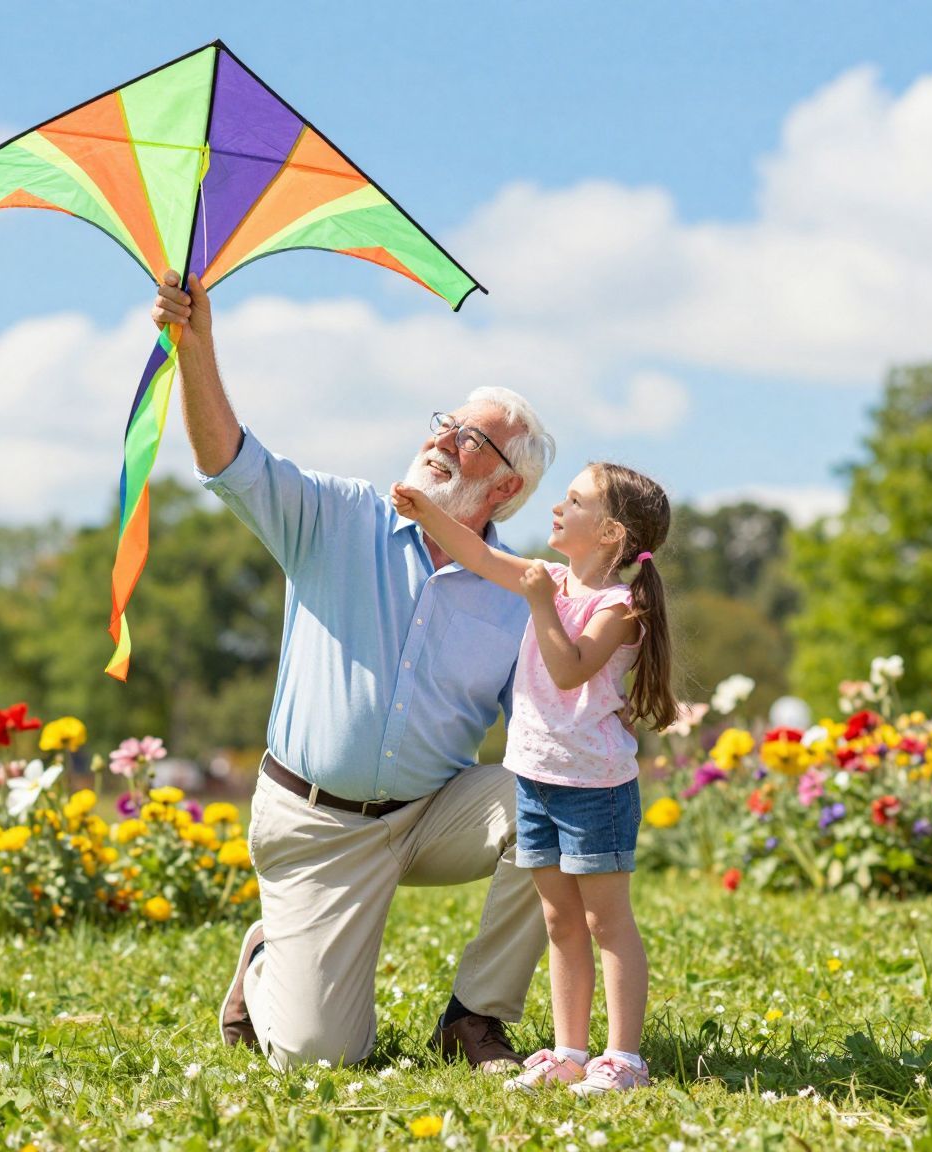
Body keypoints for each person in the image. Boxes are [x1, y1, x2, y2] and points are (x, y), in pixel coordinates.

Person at [148, 270, 554, 1072]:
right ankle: (268, 961)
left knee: (558, 800)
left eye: (473, 437)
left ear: (504, 487)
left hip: (430, 813)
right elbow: (228, 460)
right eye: (446, 421)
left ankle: (475, 1019)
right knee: (319, 1057)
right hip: (316, 824)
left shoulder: (516, 595)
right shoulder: (339, 517)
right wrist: (195, 345)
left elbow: (545, 725)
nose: (445, 437)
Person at [391, 460, 677, 1095]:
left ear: (608, 534)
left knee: (607, 922)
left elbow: (570, 669)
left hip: (593, 787)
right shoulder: (543, 578)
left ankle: (623, 1058)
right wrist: (426, 512)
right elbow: (477, 552)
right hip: (535, 778)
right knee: (559, 921)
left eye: (572, 501)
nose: (556, 508)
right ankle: (571, 1050)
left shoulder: (618, 608)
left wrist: (542, 601)